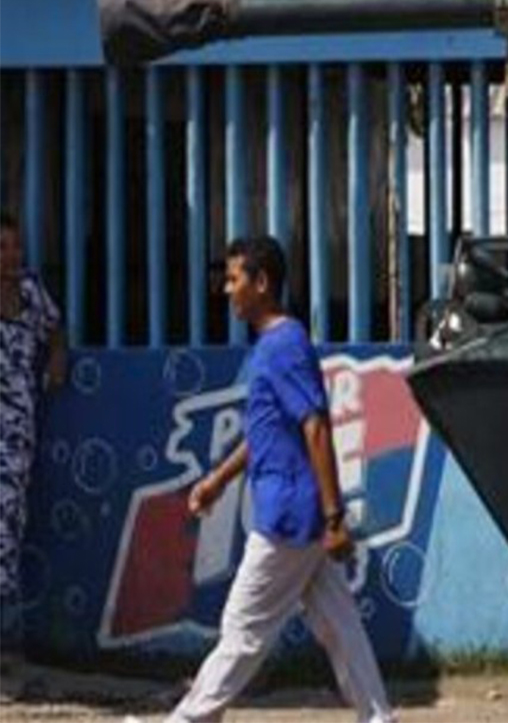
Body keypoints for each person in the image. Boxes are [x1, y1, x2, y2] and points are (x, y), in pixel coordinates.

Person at [161, 236, 393, 723]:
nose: (226, 289)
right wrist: (219, 480)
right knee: (340, 626)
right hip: (300, 511)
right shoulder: (276, 345)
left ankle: (189, 720)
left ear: (261, 283)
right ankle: (378, 718)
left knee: (242, 628)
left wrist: (333, 516)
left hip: (288, 515)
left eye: (234, 278)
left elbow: (315, 425)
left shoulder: (283, 345)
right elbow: (266, 433)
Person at [0, 212, 66, 621]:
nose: (10, 255)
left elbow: (55, 329)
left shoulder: (30, 291)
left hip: (15, 430)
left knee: (7, 525)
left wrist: (57, 358)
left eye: (14, 246)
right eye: (1, 248)